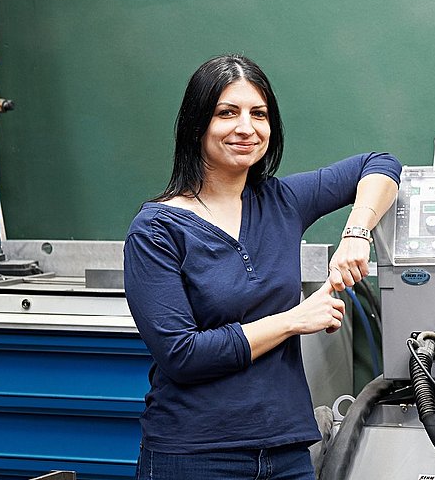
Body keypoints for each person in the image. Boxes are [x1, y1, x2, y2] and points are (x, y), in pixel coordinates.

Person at [123, 54, 400, 479]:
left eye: (259, 114)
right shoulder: (156, 230)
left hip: (286, 451)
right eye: (226, 113)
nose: (246, 128)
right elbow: (183, 355)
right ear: (198, 125)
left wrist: (356, 234)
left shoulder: (282, 201)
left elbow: (380, 164)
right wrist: (292, 321)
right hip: (195, 455)